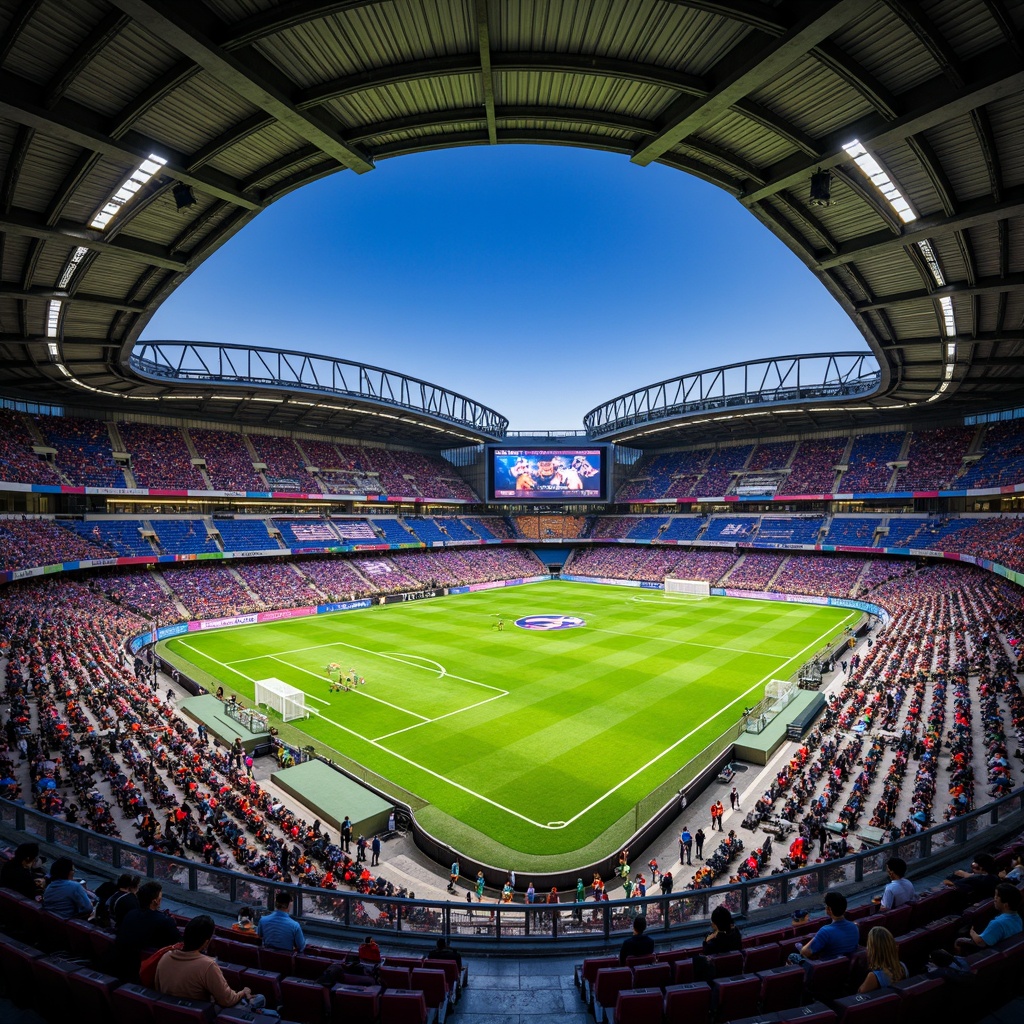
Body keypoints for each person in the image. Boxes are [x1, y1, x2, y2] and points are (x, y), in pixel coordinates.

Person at [154, 914, 256, 1008]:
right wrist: (244, 991)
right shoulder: (207, 966)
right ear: (206, 942)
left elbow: (158, 989)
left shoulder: (165, 957)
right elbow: (227, 1000)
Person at [114, 881, 181, 981]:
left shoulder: (130, 914)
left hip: (120, 967)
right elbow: (179, 944)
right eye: (160, 898)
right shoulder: (165, 921)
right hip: (145, 973)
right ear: (155, 902)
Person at [788, 891, 858, 964]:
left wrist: (801, 946)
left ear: (829, 910)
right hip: (846, 968)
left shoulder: (825, 931)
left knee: (792, 956)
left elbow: (804, 953)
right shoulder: (854, 927)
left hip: (828, 970)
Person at [956, 883, 1022, 953]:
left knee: (958, 941)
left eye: (997, 896)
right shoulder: (1018, 918)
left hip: (992, 951)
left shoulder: (997, 924)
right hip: (1007, 947)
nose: (994, 899)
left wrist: (972, 933)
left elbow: (980, 942)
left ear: (1006, 905)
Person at [857, 926, 906, 993]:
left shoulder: (873, 977)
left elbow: (859, 996)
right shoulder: (903, 967)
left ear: (873, 950)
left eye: (868, 945)